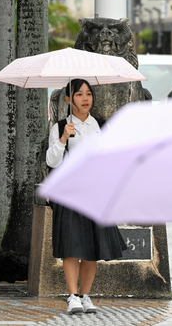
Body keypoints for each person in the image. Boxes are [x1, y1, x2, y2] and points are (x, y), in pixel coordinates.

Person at [46, 78, 127, 315]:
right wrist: (63, 139)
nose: (85, 99)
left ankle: (86, 295)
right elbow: (51, 161)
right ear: (69, 99)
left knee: (92, 248)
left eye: (89, 94)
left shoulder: (101, 126)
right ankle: (72, 296)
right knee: (72, 248)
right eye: (79, 95)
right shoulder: (60, 127)